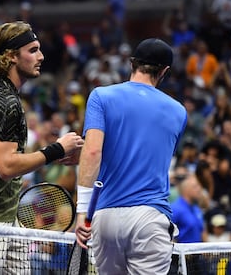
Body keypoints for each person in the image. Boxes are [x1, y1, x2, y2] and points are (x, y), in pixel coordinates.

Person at [0, 21, 84, 274]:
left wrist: (39, 158)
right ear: (13, 56)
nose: (41, 56)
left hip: (6, 216)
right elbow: (6, 167)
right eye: (33, 50)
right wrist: (55, 150)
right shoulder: (5, 101)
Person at [74, 38, 187, 274]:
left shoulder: (100, 96)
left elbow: (93, 151)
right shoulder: (179, 111)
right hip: (149, 217)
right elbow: (148, 154)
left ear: (132, 63)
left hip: (104, 218)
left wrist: (83, 211)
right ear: (164, 71)